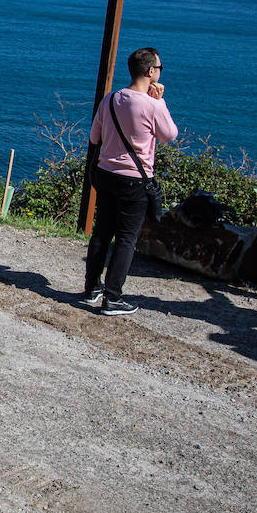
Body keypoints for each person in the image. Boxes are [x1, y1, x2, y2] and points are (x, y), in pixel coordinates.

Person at [82, 47, 178, 315]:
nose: (159, 72)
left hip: (105, 174)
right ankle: (112, 298)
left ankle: (92, 289)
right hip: (134, 181)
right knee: (125, 239)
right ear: (150, 72)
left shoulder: (110, 99)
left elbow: (94, 138)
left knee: (102, 233)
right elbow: (170, 134)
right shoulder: (151, 105)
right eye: (159, 68)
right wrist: (160, 102)